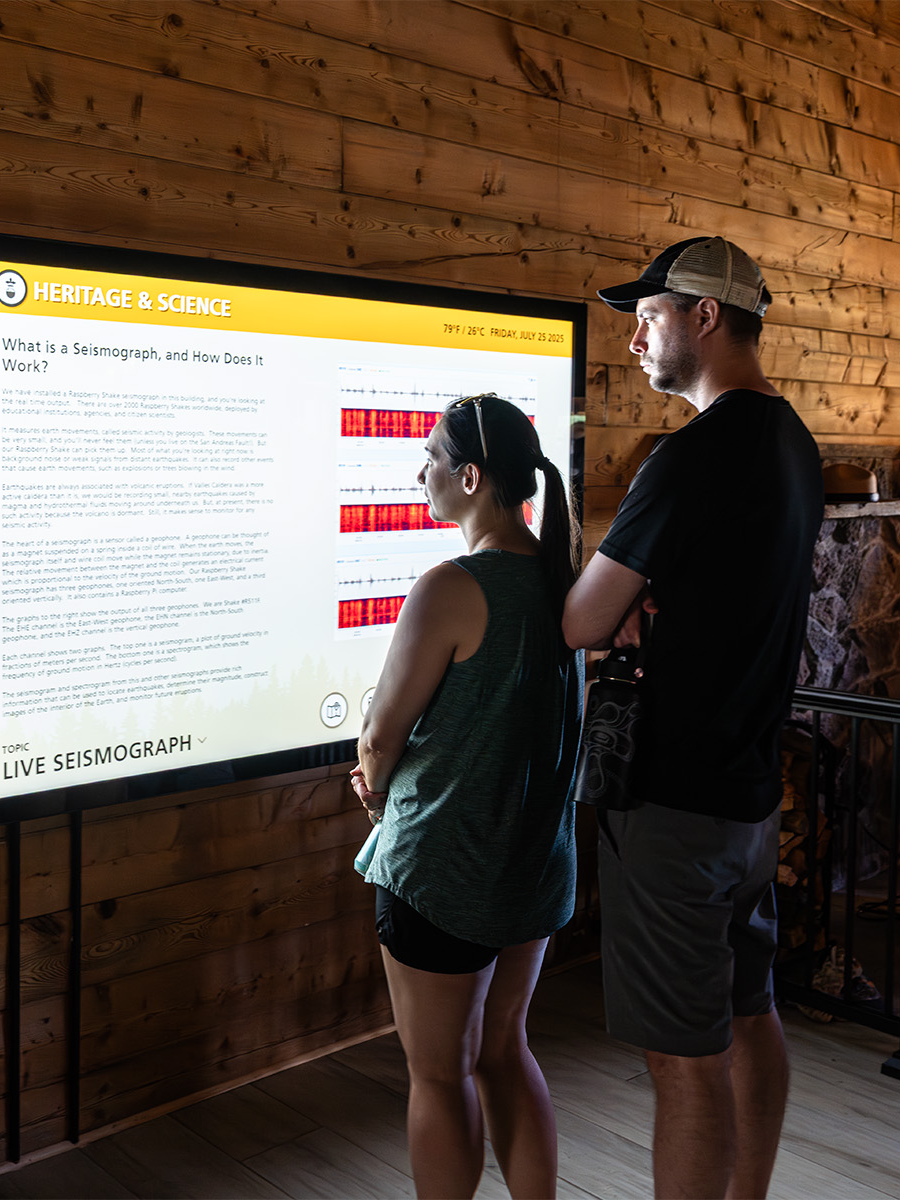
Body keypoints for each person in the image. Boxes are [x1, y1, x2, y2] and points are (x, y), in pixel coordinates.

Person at [561, 235, 822, 1199]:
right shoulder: (793, 442)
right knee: (750, 1016)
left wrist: (623, 600)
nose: (634, 339)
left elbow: (582, 619)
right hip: (752, 797)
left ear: (703, 317)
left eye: (650, 315)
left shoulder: (688, 457)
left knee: (682, 1059)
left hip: (672, 802)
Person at [351, 393, 582, 1200]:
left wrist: (376, 793)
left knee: (438, 1075)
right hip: (535, 864)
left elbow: (381, 736)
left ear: (472, 477)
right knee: (506, 1048)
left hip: (445, 869)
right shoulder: (565, 581)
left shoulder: (451, 586)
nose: (421, 473)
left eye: (432, 460)